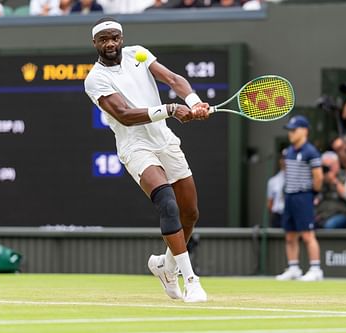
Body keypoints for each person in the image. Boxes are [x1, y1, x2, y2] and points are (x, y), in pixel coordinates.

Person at [84, 17, 210, 302]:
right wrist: (171, 109)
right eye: (103, 39)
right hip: (135, 146)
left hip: (164, 140)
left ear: (122, 38)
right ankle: (191, 280)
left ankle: (166, 267)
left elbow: (174, 79)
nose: (110, 43)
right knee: (167, 202)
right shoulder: (95, 79)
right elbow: (125, 115)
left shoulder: (137, 54)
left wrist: (193, 103)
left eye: (114, 37)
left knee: (190, 213)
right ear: (95, 44)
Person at [276, 115, 324, 282]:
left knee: (307, 235)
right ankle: (294, 268)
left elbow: (318, 178)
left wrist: (313, 194)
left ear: (304, 131)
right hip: (290, 197)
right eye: (289, 130)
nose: (291, 134)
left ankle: (316, 269)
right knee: (290, 235)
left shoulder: (311, 151)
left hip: (303, 196)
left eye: (294, 130)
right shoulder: (288, 151)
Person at [315, 151, 346, 229]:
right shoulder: (320, 180)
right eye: (324, 167)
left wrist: (334, 181)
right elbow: (315, 198)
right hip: (323, 214)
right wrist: (319, 181)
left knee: (329, 225)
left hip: (342, 214)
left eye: (329, 166)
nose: (327, 170)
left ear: (337, 164)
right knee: (307, 224)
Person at [266, 150, 285, 228]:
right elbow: (270, 203)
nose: (285, 161)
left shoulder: (297, 179)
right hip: (278, 216)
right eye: (283, 158)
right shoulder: (273, 181)